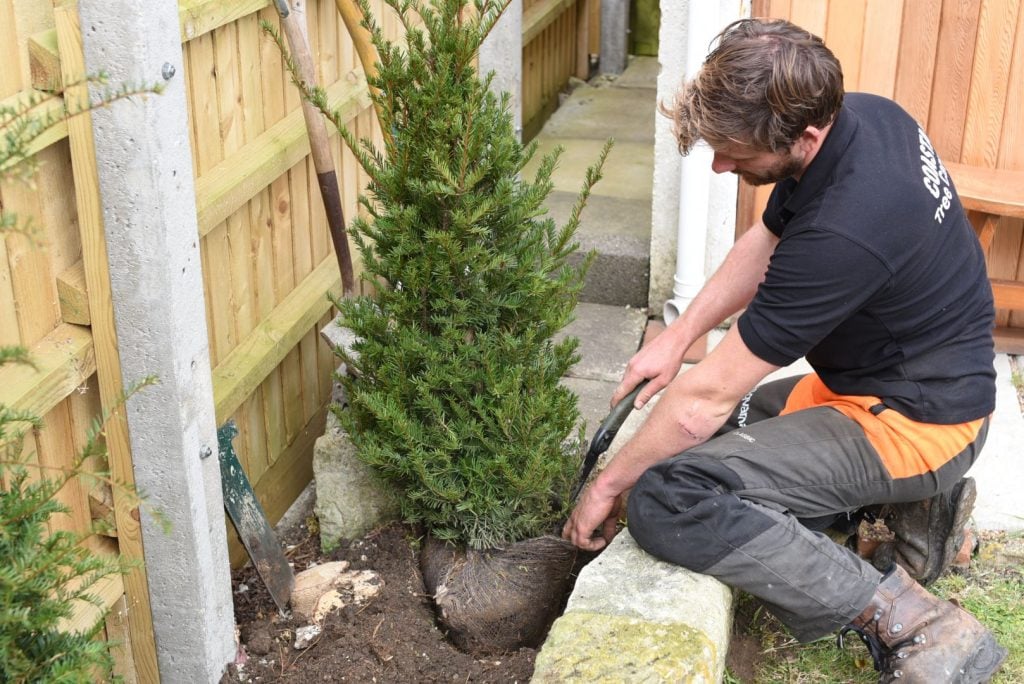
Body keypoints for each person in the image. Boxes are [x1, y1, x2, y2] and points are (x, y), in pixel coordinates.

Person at [562, 17, 1007, 683]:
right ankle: (920, 512)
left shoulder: (846, 231)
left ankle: (915, 622)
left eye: (733, 151)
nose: (719, 163)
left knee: (672, 493)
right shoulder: (860, 118)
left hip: (919, 423)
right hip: (882, 384)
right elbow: (767, 240)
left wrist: (608, 485)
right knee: (740, 430)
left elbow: (700, 401)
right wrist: (678, 338)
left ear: (802, 135)